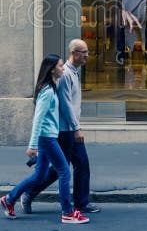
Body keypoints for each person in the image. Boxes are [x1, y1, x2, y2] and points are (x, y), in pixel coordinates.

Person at [0, 54, 89, 224]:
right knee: (64, 172)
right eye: (60, 66)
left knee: (40, 176)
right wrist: (32, 145)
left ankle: (9, 200)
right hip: (47, 138)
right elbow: (37, 119)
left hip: (48, 137)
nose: (63, 68)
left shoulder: (52, 88)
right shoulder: (47, 91)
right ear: (52, 69)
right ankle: (68, 212)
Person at [20, 39, 100, 214]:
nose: (87, 55)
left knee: (80, 164)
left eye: (87, 51)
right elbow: (65, 105)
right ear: (74, 53)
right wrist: (76, 128)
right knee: (60, 169)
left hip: (70, 129)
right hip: (66, 131)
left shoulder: (74, 72)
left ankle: (80, 203)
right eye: (84, 51)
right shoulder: (65, 75)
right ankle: (29, 194)